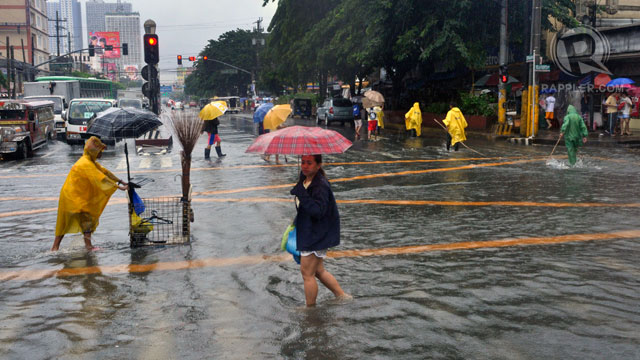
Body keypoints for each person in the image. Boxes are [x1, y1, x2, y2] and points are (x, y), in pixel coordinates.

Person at [290, 155, 350, 307]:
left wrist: (301, 193)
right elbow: (305, 209)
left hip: (316, 234)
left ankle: (310, 309)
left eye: (309, 163)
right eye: (303, 162)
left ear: (318, 165)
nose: (304, 166)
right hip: (310, 231)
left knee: (307, 274)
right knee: (318, 271)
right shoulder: (305, 180)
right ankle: (342, 296)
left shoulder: (320, 185)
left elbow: (318, 211)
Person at [52, 136, 128, 251]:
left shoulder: (90, 161)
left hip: (74, 195)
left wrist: (120, 181)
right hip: (72, 196)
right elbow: (101, 178)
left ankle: (56, 247)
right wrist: (120, 188)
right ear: (94, 152)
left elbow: (105, 172)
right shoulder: (86, 163)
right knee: (80, 219)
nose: (101, 154)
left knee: (75, 221)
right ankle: (86, 246)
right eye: (99, 152)